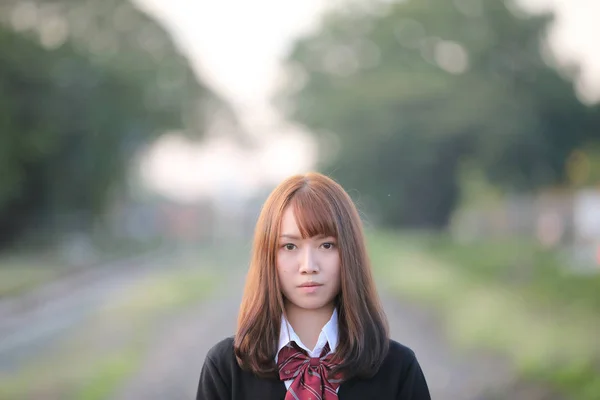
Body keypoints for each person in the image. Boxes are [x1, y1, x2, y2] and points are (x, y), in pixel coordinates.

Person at [196, 172, 431, 399]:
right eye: (289, 246)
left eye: (326, 245)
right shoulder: (226, 368)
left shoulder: (398, 368)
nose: (308, 266)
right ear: (268, 257)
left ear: (349, 253)